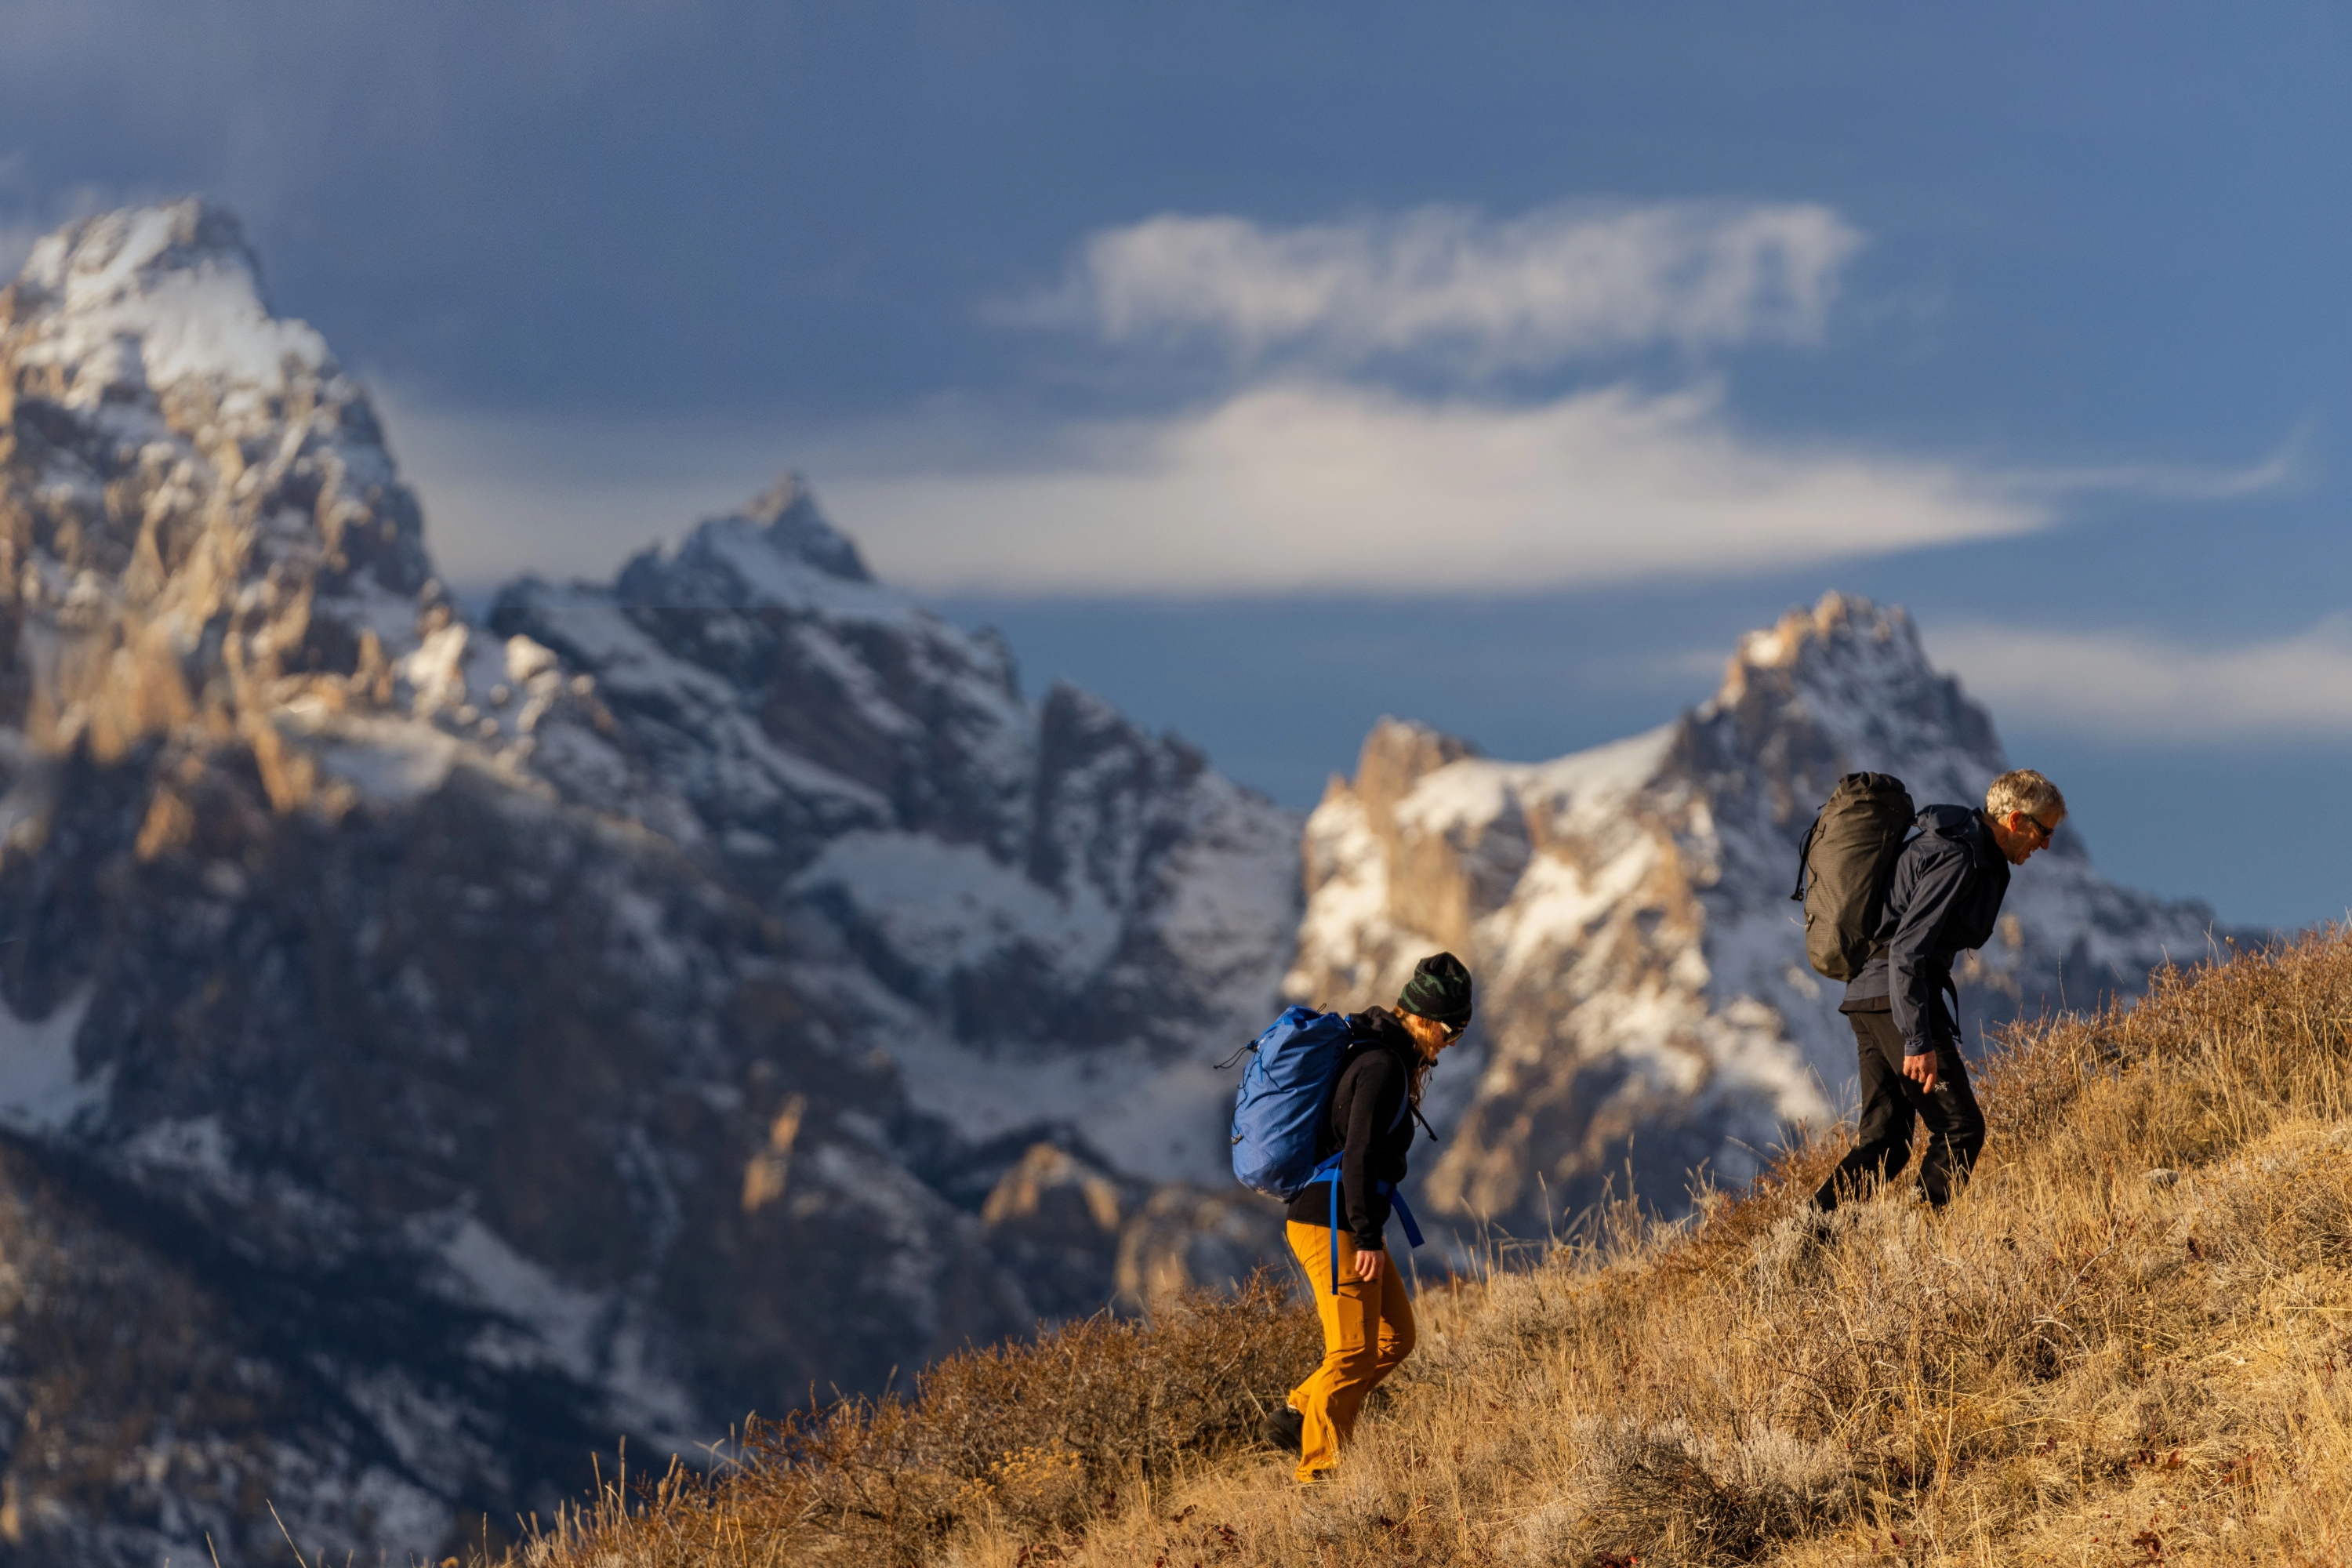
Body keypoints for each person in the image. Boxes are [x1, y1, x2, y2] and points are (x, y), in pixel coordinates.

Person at [1810, 768, 2067, 1216]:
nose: (2044, 844)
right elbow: (1909, 947)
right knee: (1960, 1128)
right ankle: (1918, 1238)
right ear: (2014, 821)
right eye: (2043, 832)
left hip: (1869, 997)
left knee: (1886, 1143)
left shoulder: (1960, 845)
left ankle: (1806, 1238)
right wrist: (1917, 1038)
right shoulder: (1960, 855)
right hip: (1899, 997)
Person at [1265, 952, 1472, 1485]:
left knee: (1395, 1339)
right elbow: (1357, 1155)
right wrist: (1367, 1235)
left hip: (1343, 1217)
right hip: (1332, 1220)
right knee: (1354, 1351)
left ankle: (1298, 1412)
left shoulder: (1391, 1059)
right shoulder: (1381, 1067)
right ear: (1423, 1018)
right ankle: (1322, 1474)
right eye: (1450, 1030)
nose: (1451, 1043)